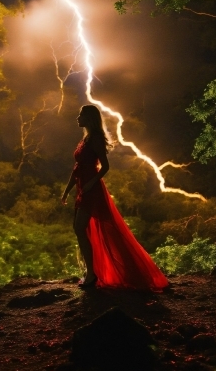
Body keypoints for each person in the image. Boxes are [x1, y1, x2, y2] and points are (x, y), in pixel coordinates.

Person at [61, 104, 169, 291]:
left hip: (91, 189)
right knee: (79, 229)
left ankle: (94, 274)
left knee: (84, 228)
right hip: (82, 188)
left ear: (89, 118)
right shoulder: (85, 139)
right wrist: (67, 190)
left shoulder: (95, 139)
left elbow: (105, 166)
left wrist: (91, 183)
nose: (77, 118)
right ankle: (92, 272)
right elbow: (76, 168)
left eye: (81, 115)